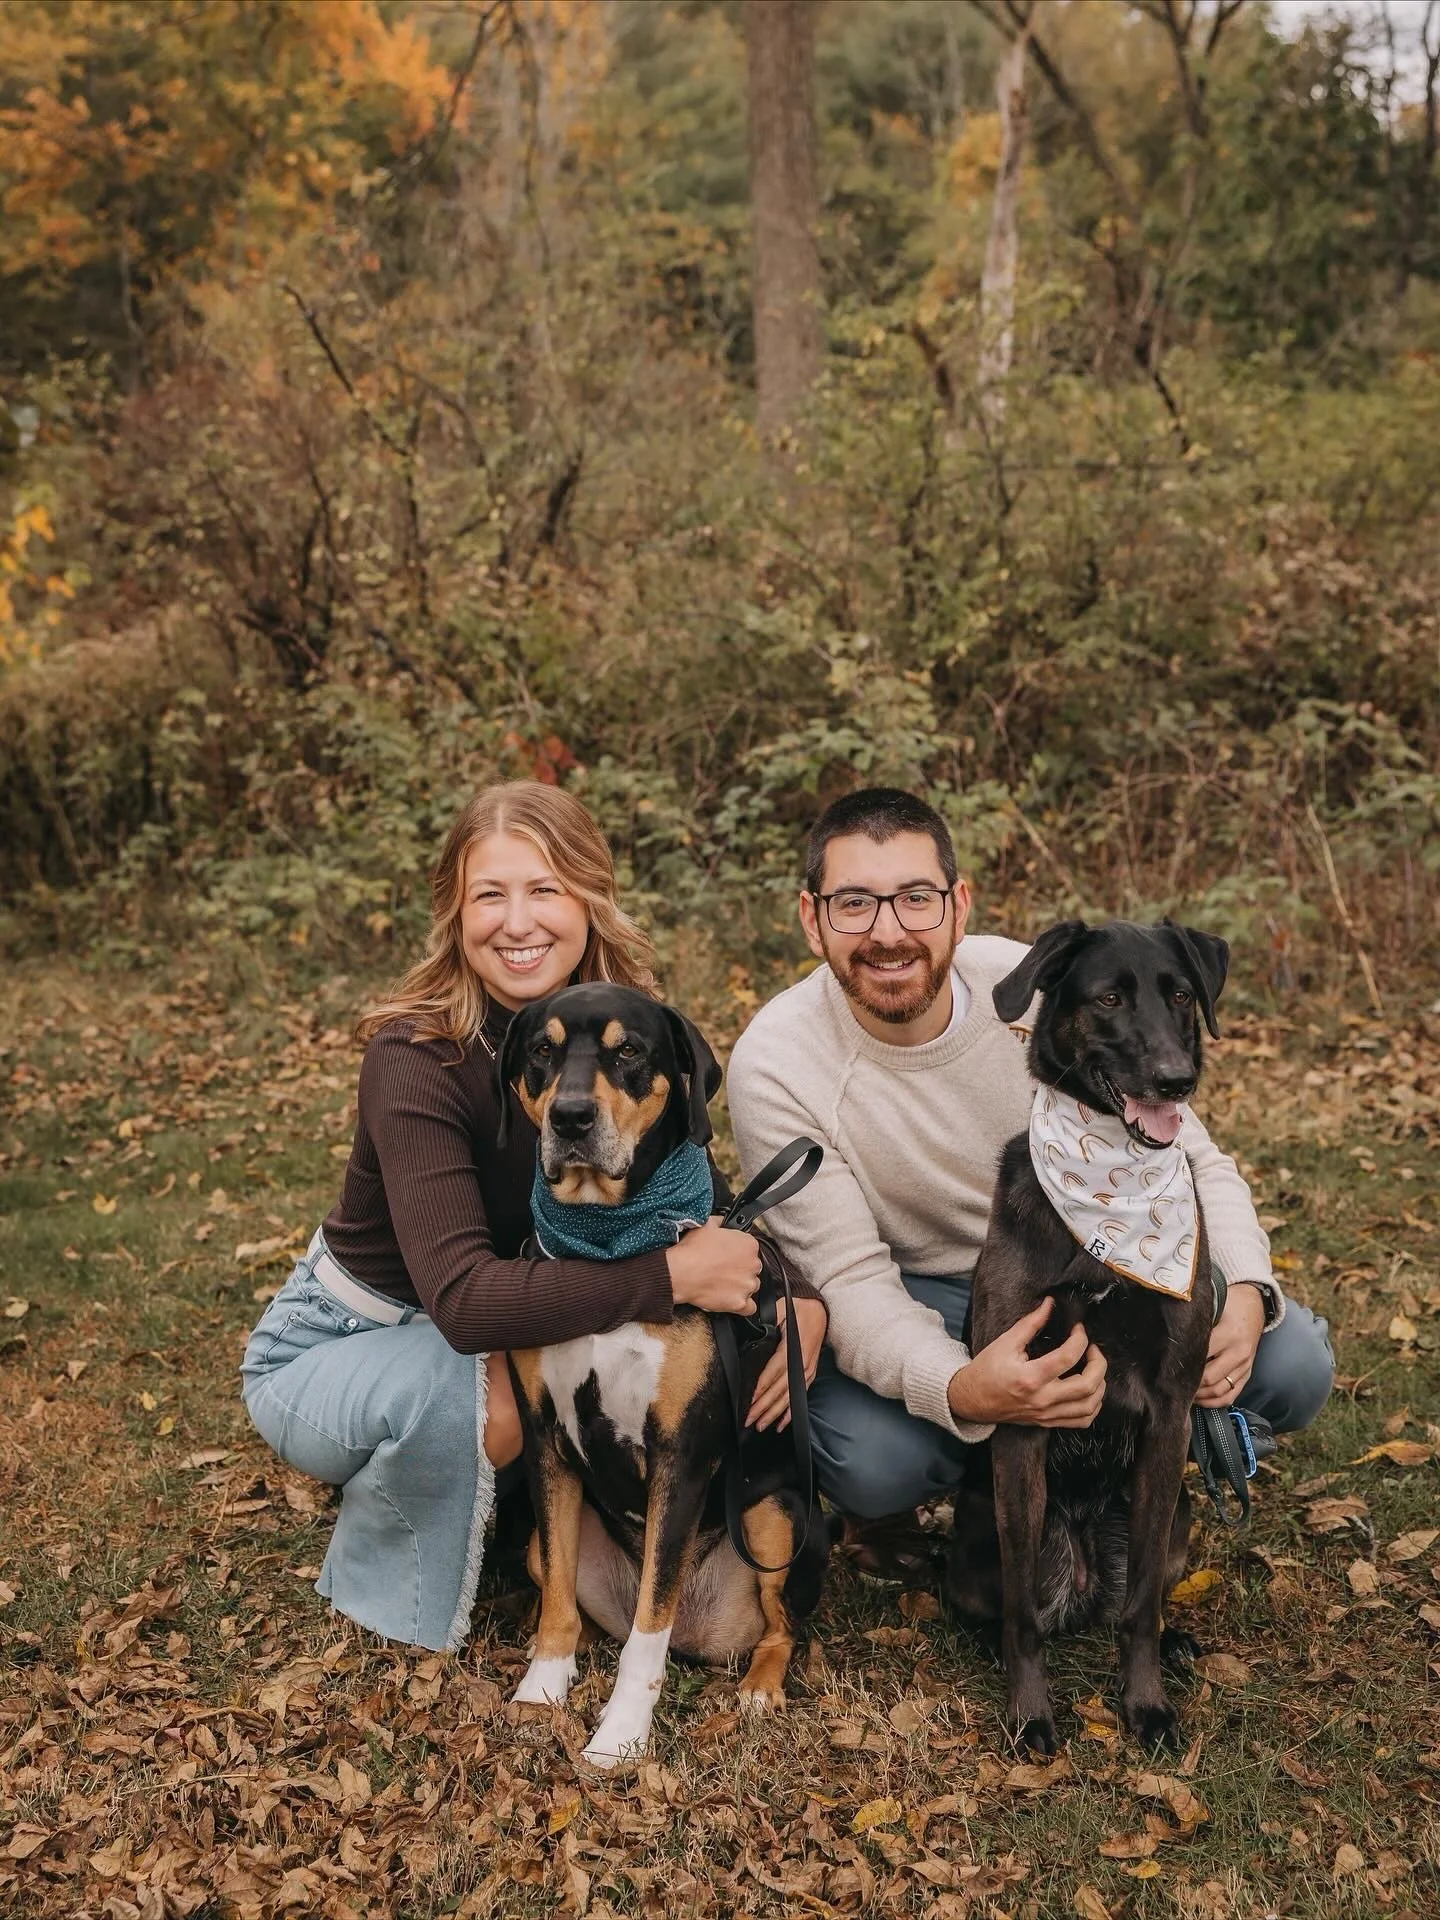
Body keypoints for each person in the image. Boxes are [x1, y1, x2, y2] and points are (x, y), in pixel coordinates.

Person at [241, 781, 825, 1651]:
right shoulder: (415, 1058)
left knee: (577, 1382)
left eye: (545, 890)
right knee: (507, 1401)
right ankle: (390, 1558)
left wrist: (802, 1300)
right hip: (350, 1338)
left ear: (589, 898)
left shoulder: (620, 1033)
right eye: (490, 895)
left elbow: (695, 1196)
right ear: (454, 912)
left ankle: (494, 1494)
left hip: (522, 1303)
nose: (518, 923)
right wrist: (665, 1279)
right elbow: (469, 1306)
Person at [726, 787, 1334, 1537]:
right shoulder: (776, 1062)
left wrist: (1243, 1288)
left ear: (959, 903)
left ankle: (1118, 1445)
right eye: (853, 903)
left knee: (1293, 1363)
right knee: (876, 1461)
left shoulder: (1034, 987)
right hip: (925, 1289)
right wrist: (962, 1388)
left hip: (1095, 1259)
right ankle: (1010, 1468)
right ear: (811, 920)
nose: (888, 932)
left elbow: (1193, 1156)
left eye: (916, 898)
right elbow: (848, 1274)